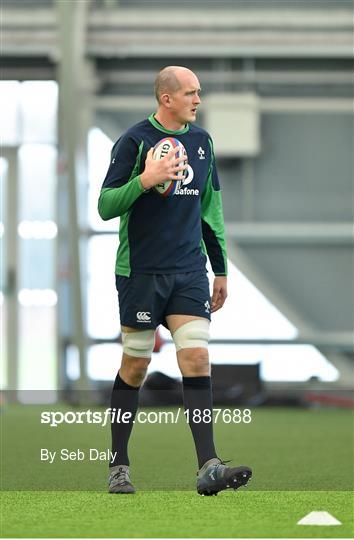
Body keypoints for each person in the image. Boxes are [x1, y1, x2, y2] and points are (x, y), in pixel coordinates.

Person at [98, 66, 252, 495]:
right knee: (136, 364)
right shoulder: (133, 141)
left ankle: (209, 466)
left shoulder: (202, 144)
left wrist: (220, 269)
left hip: (188, 272)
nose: (198, 100)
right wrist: (146, 180)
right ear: (167, 98)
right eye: (191, 93)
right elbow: (106, 205)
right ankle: (118, 463)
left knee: (197, 360)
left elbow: (211, 211)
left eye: (198, 92)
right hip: (141, 273)